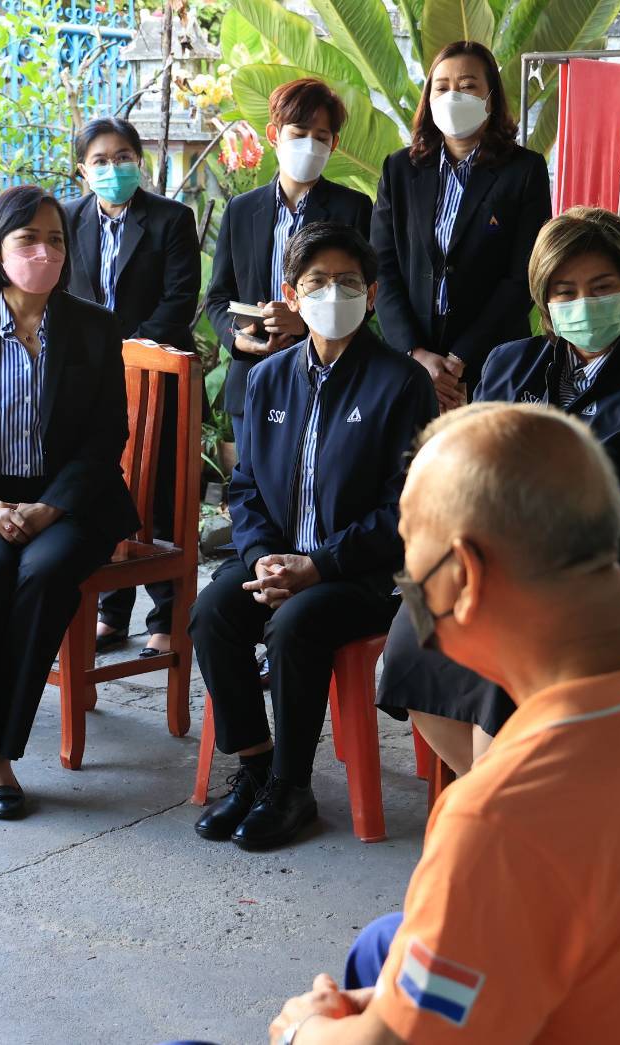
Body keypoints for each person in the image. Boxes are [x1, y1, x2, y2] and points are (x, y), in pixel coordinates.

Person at [267, 404, 620, 1044]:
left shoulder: (500, 818)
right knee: (386, 944)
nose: (408, 582)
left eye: (410, 548)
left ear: (463, 575)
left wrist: (301, 1030)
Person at [377, 207, 620, 775]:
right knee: (414, 629)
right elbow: (471, 471)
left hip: (612, 580)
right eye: (565, 291)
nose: (584, 303)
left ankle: (506, 802)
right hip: (497, 567)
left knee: (509, 644)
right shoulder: (511, 364)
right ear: (545, 299)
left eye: (601, 287)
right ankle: (499, 792)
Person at [190, 222, 437, 851]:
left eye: (348, 282)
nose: (333, 294)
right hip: (277, 559)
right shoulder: (268, 377)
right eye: (317, 282)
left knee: (295, 624)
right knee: (212, 613)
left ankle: (292, 787)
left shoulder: (401, 383)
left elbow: (406, 508)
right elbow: (246, 485)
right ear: (291, 296)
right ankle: (255, 766)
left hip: (365, 573)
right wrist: (259, 559)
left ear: (372, 295)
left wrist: (318, 566)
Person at [0, 185, 138, 823]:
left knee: (43, 571)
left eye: (55, 239)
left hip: (69, 500)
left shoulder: (93, 326)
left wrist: (50, 508)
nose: (44, 252)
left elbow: (105, 436)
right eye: (28, 238)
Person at [62, 117, 201, 658]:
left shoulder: (171, 219)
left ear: (139, 161)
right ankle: (112, 612)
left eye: (122, 157)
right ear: (82, 170)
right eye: (99, 160)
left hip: (158, 376)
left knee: (160, 496)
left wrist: (127, 352)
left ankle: (167, 616)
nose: (112, 168)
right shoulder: (67, 219)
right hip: (89, 384)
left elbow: (179, 300)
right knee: (104, 490)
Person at [370, 40, 551, 414]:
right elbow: (381, 266)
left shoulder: (524, 171)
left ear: (491, 98)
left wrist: (458, 360)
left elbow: (523, 276)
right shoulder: (400, 170)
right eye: (442, 87)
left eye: (468, 86)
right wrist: (416, 354)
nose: (453, 95)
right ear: (429, 98)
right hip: (411, 361)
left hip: (491, 362)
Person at [205, 77, 372, 454]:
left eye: (321, 136)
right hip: (251, 378)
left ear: (334, 144)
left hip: (327, 376)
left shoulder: (353, 209)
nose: (309, 144)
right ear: (274, 135)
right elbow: (217, 298)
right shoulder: (241, 209)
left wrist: (307, 323)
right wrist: (240, 338)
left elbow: (366, 297)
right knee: (252, 482)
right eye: (298, 133)